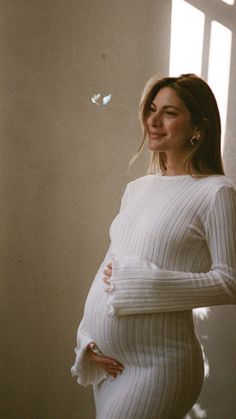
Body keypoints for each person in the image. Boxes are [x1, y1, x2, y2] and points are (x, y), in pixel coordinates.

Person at [71, 74, 236, 419]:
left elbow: (230, 281)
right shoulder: (138, 188)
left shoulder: (216, 192)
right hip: (109, 366)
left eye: (169, 112)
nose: (153, 121)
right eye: (151, 109)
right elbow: (108, 268)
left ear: (199, 126)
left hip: (159, 365)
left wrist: (140, 283)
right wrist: (86, 338)